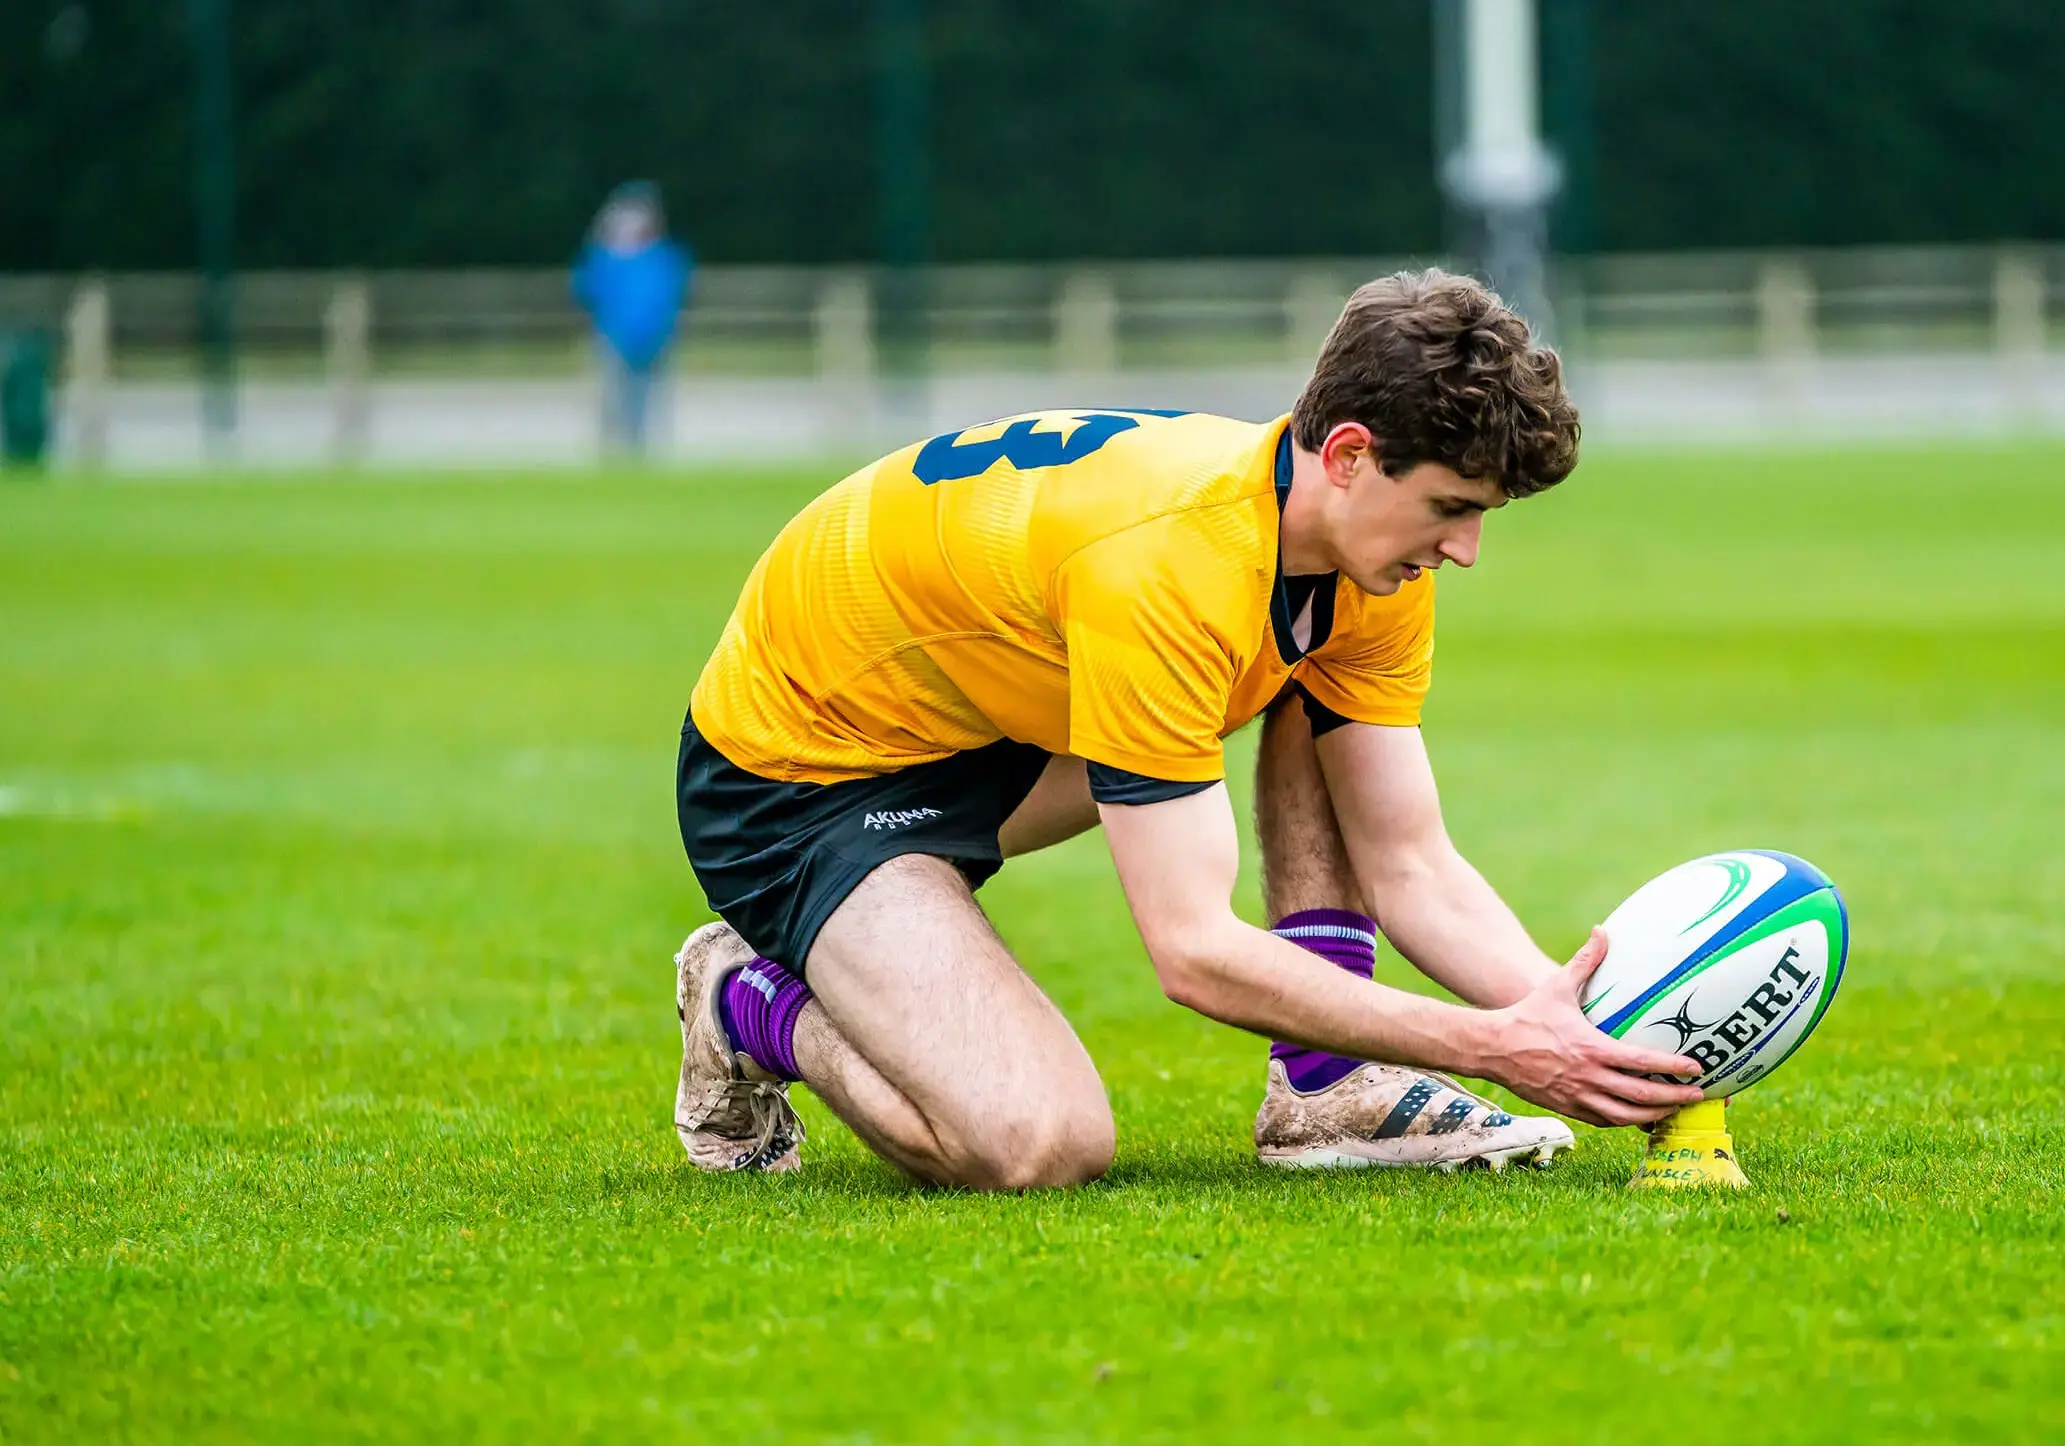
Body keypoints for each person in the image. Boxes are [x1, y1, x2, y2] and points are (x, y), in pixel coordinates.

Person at [671, 269, 1704, 1188]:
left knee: (1307, 663)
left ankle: (1324, 1089)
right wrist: (1493, 1049)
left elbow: (1411, 864)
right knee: (1038, 1141)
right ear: (1348, 454)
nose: (1466, 549)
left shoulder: (1356, 550)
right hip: (798, 782)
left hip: (997, 722)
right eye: (1449, 507)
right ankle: (745, 1000)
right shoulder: (1170, 564)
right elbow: (1194, 951)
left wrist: (1591, 1039)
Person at [571, 181, 691, 458]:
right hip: (614, 338)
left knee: (649, 400)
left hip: (657, 339)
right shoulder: (605, 258)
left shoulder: (663, 256)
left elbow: (674, 291)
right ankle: (614, 452)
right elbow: (585, 289)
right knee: (612, 399)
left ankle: (643, 452)